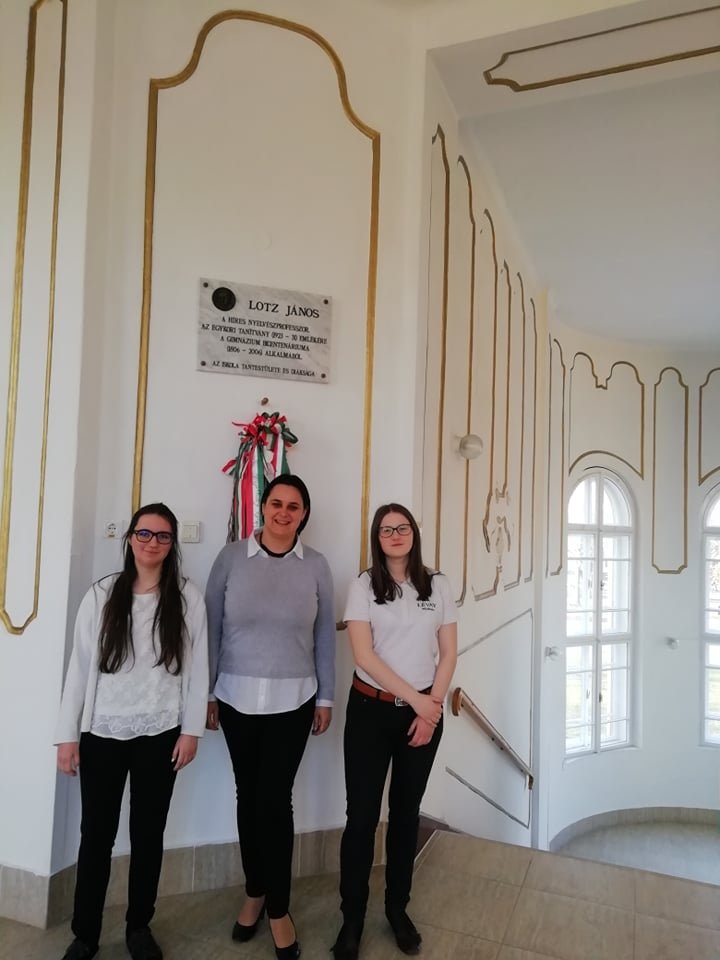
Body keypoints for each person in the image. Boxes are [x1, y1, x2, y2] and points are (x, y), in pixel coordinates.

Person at [56, 503, 209, 960]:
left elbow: (198, 667)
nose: (152, 542)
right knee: (96, 836)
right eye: (144, 533)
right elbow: (79, 668)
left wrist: (191, 730)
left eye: (163, 536)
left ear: (172, 544)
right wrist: (67, 735)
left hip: (161, 733)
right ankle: (85, 934)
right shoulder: (102, 594)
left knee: (148, 836)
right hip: (102, 732)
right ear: (129, 538)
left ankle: (139, 926)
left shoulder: (187, 597)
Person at [205, 473, 335, 960]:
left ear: (304, 515)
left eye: (293, 506)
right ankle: (254, 890)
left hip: (295, 700)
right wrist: (206, 693)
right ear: (262, 507)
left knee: (276, 802)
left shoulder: (316, 565)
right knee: (248, 796)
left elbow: (325, 636)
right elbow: (211, 628)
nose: (283, 512)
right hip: (234, 697)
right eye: (276, 503)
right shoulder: (230, 558)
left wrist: (326, 699)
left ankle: (279, 908)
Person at [332, 503, 458, 959]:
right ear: (377, 538)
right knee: (361, 819)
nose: (396, 535)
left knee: (406, 815)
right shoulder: (364, 586)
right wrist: (417, 700)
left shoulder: (437, 584)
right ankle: (352, 918)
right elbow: (364, 656)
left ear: (414, 534)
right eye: (386, 530)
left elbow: (448, 653)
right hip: (370, 711)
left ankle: (397, 910)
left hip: (422, 717)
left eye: (402, 527)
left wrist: (429, 710)